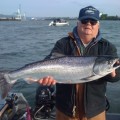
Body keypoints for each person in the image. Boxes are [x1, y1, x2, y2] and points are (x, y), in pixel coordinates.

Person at [37, 6, 120, 120]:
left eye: (93, 21)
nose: (88, 24)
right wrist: (45, 78)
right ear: (78, 22)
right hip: (65, 110)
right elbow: (47, 63)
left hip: (95, 111)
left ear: (98, 24)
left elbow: (116, 75)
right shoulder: (63, 43)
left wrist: (114, 73)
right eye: (84, 21)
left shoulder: (107, 47)